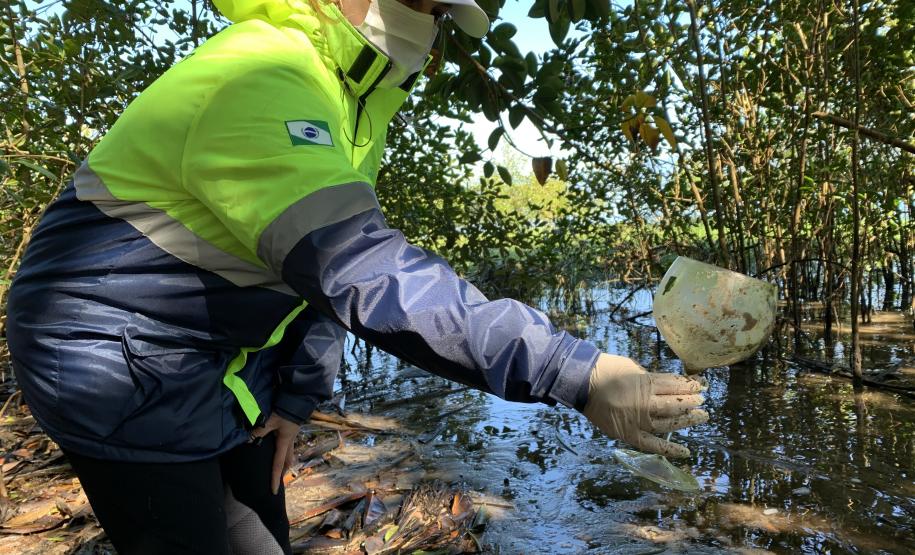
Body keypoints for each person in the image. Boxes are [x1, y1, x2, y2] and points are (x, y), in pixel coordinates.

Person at [4, 0, 708, 552]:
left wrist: (294, 400)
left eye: (437, 12)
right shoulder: (263, 74)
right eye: (412, 0)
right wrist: (574, 372)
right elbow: (364, 270)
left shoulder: (346, 100)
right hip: (110, 359)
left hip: (214, 350)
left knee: (263, 527)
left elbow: (310, 285)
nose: (423, 25)